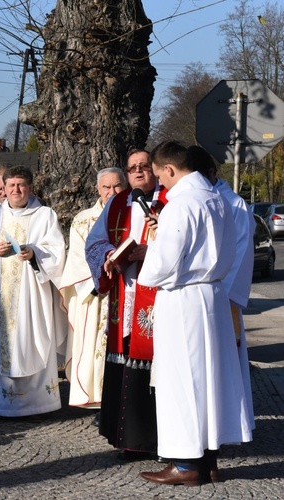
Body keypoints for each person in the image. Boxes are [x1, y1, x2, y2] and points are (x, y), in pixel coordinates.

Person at [138, 140, 253, 486]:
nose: (160, 184)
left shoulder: (181, 204)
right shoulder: (219, 200)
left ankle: (186, 464)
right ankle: (208, 460)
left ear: (170, 169)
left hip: (184, 299)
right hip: (213, 295)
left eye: (160, 176)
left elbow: (164, 262)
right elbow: (230, 253)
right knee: (210, 378)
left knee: (182, 379)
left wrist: (153, 248)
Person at [0, 165, 68, 416]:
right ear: (4, 187)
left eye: (21, 185)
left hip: (31, 296)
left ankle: (39, 405)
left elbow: (57, 251)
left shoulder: (45, 216)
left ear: (30, 187)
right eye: (11, 185)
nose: (16, 190)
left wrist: (35, 253)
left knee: (32, 341)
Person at [84, 148, 166, 459]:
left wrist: (151, 251)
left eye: (145, 166)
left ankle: (158, 439)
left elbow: (179, 239)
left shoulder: (168, 201)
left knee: (153, 365)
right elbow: (95, 240)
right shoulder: (118, 203)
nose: (139, 171)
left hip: (155, 294)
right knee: (124, 360)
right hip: (124, 291)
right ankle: (128, 440)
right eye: (133, 168)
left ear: (154, 170)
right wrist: (107, 256)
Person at [187, 144, 256, 477]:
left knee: (220, 370)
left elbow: (240, 257)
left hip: (221, 299)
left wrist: (225, 297)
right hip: (201, 298)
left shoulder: (234, 204)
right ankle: (203, 439)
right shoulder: (195, 201)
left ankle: (222, 434)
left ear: (211, 175)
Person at [59, 167, 126, 415]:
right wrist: (100, 279)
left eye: (117, 186)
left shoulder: (132, 213)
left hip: (127, 290)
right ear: (97, 189)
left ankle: (124, 397)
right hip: (97, 294)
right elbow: (77, 259)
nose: (111, 192)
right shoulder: (83, 219)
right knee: (96, 346)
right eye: (106, 187)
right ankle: (98, 399)